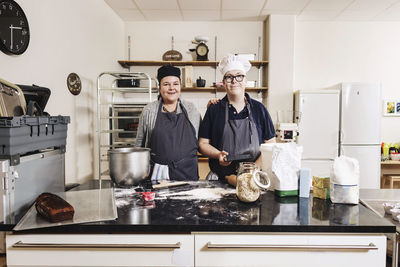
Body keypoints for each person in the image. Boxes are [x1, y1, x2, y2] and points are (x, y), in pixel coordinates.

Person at [198, 54, 276, 186]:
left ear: (246, 81)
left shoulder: (259, 109)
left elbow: (271, 144)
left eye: (239, 76)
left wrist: (253, 170)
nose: (234, 81)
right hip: (219, 179)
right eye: (229, 77)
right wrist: (218, 155)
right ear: (223, 83)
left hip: (254, 179)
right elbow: (202, 144)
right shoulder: (214, 109)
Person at [136, 65, 201, 182]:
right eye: (166, 84)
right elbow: (139, 146)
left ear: (180, 86)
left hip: (187, 174)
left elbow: (201, 141)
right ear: (159, 87)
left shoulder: (191, 109)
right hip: (157, 175)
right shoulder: (149, 110)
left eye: (175, 84)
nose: (172, 88)